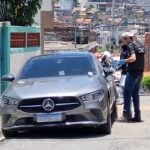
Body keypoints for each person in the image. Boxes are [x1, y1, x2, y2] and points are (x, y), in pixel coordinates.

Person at [118, 33, 145, 122]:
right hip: (140, 73)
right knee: (135, 95)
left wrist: (124, 60)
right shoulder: (140, 44)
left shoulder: (131, 45)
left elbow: (133, 58)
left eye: (122, 41)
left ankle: (127, 115)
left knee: (127, 94)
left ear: (127, 39)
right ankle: (137, 116)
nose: (122, 43)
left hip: (132, 73)